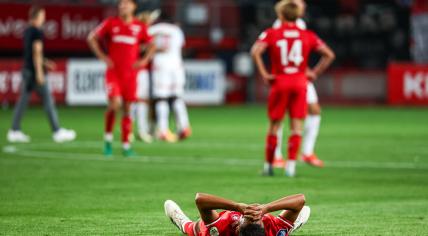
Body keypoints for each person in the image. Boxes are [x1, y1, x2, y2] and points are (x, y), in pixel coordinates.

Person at [251, 1, 335, 177]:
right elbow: (329, 54)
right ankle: (291, 167)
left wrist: (265, 74)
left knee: (275, 124)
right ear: (298, 15)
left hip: (280, 81)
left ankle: (268, 166)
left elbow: (255, 51)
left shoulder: (272, 33)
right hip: (300, 82)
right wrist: (315, 73)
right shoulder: (307, 34)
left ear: (280, 15)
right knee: (297, 125)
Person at [87, 0, 156, 157]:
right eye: (120, 4)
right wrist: (103, 57)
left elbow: (152, 44)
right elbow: (91, 38)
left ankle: (126, 146)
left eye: (126, 4)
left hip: (131, 75)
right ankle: (108, 141)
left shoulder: (139, 26)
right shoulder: (111, 23)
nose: (122, 7)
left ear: (134, 7)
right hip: (114, 73)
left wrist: (144, 60)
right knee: (115, 104)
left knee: (127, 109)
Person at [7, 5, 76, 143]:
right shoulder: (37, 32)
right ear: (37, 16)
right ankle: (57, 131)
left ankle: (14, 130)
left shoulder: (27, 31)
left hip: (27, 70)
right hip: (34, 72)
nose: (44, 18)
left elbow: (31, 53)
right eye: (43, 15)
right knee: (48, 102)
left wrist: (45, 62)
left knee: (23, 102)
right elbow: (37, 52)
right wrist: (39, 72)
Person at [272, 0, 325, 169]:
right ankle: (276, 156)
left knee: (314, 109)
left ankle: (307, 152)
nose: (303, 5)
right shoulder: (280, 24)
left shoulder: (300, 23)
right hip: (288, 76)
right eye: (299, 2)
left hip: (300, 75)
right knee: (279, 117)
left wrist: (308, 70)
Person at [164, 192, 310, 236]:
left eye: (246, 218)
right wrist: (266, 208)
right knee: (283, 231)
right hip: (276, 231)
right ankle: (290, 226)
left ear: (238, 228)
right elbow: (300, 200)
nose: (252, 213)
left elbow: (200, 199)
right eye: (257, 218)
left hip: (208, 231)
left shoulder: (222, 229)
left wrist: (236, 206)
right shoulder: (272, 229)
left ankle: (182, 222)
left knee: (195, 229)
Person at [149, 12, 191, 143]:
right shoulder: (176, 30)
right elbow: (181, 47)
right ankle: (184, 127)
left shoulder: (153, 29)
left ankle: (162, 130)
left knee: (161, 98)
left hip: (161, 66)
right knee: (177, 96)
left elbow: (143, 44)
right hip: (176, 66)